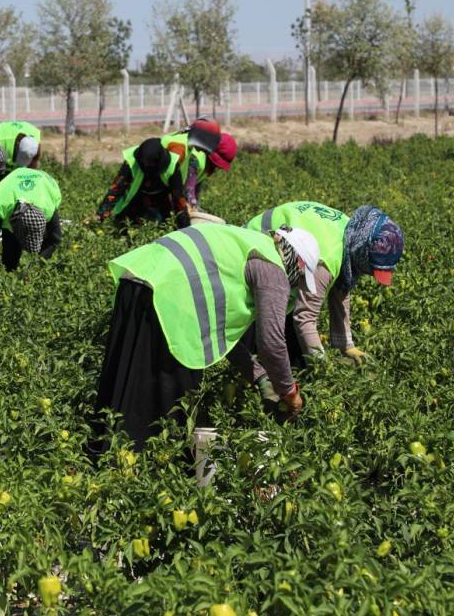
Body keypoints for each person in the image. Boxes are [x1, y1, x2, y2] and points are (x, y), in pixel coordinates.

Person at [94, 223, 320, 450]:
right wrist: (289, 392)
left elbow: (221, 336)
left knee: (123, 383)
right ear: (299, 262)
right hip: (170, 297)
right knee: (161, 407)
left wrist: (261, 378)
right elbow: (272, 342)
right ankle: (140, 470)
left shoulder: (252, 244)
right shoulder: (273, 268)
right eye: (300, 279)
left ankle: (104, 461)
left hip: (139, 277)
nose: (295, 286)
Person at [246, 202, 405, 366]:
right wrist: (322, 368)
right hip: (253, 249)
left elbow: (341, 287)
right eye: (371, 268)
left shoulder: (353, 231)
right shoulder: (327, 259)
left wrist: (346, 345)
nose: (370, 274)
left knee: (293, 346)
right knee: (278, 348)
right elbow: (304, 316)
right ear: (362, 252)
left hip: (273, 246)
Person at [95, 137, 188, 228]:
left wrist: (185, 228)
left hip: (161, 198)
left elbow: (178, 197)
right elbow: (117, 189)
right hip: (137, 197)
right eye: (144, 163)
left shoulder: (172, 166)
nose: (146, 166)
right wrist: (100, 215)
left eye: (150, 164)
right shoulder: (132, 162)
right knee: (126, 226)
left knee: (163, 226)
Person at [0, 168, 63, 271]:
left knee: (45, 250)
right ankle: (10, 270)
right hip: (12, 181)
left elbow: (55, 239)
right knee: (10, 254)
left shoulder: (48, 207)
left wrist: (38, 265)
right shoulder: (3, 204)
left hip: (42, 182)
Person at [161, 119, 237, 211]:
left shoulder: (207, 165)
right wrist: (191, 209)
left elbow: (196, 187)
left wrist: (196, 207)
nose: (218, 167)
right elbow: (189, 191)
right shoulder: (196, 160)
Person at [0, 120, 42, 192]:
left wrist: (29, 185)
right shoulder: (0, 139)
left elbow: (35, 161)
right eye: (21, 157)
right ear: (17, 145)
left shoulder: (36, 139)